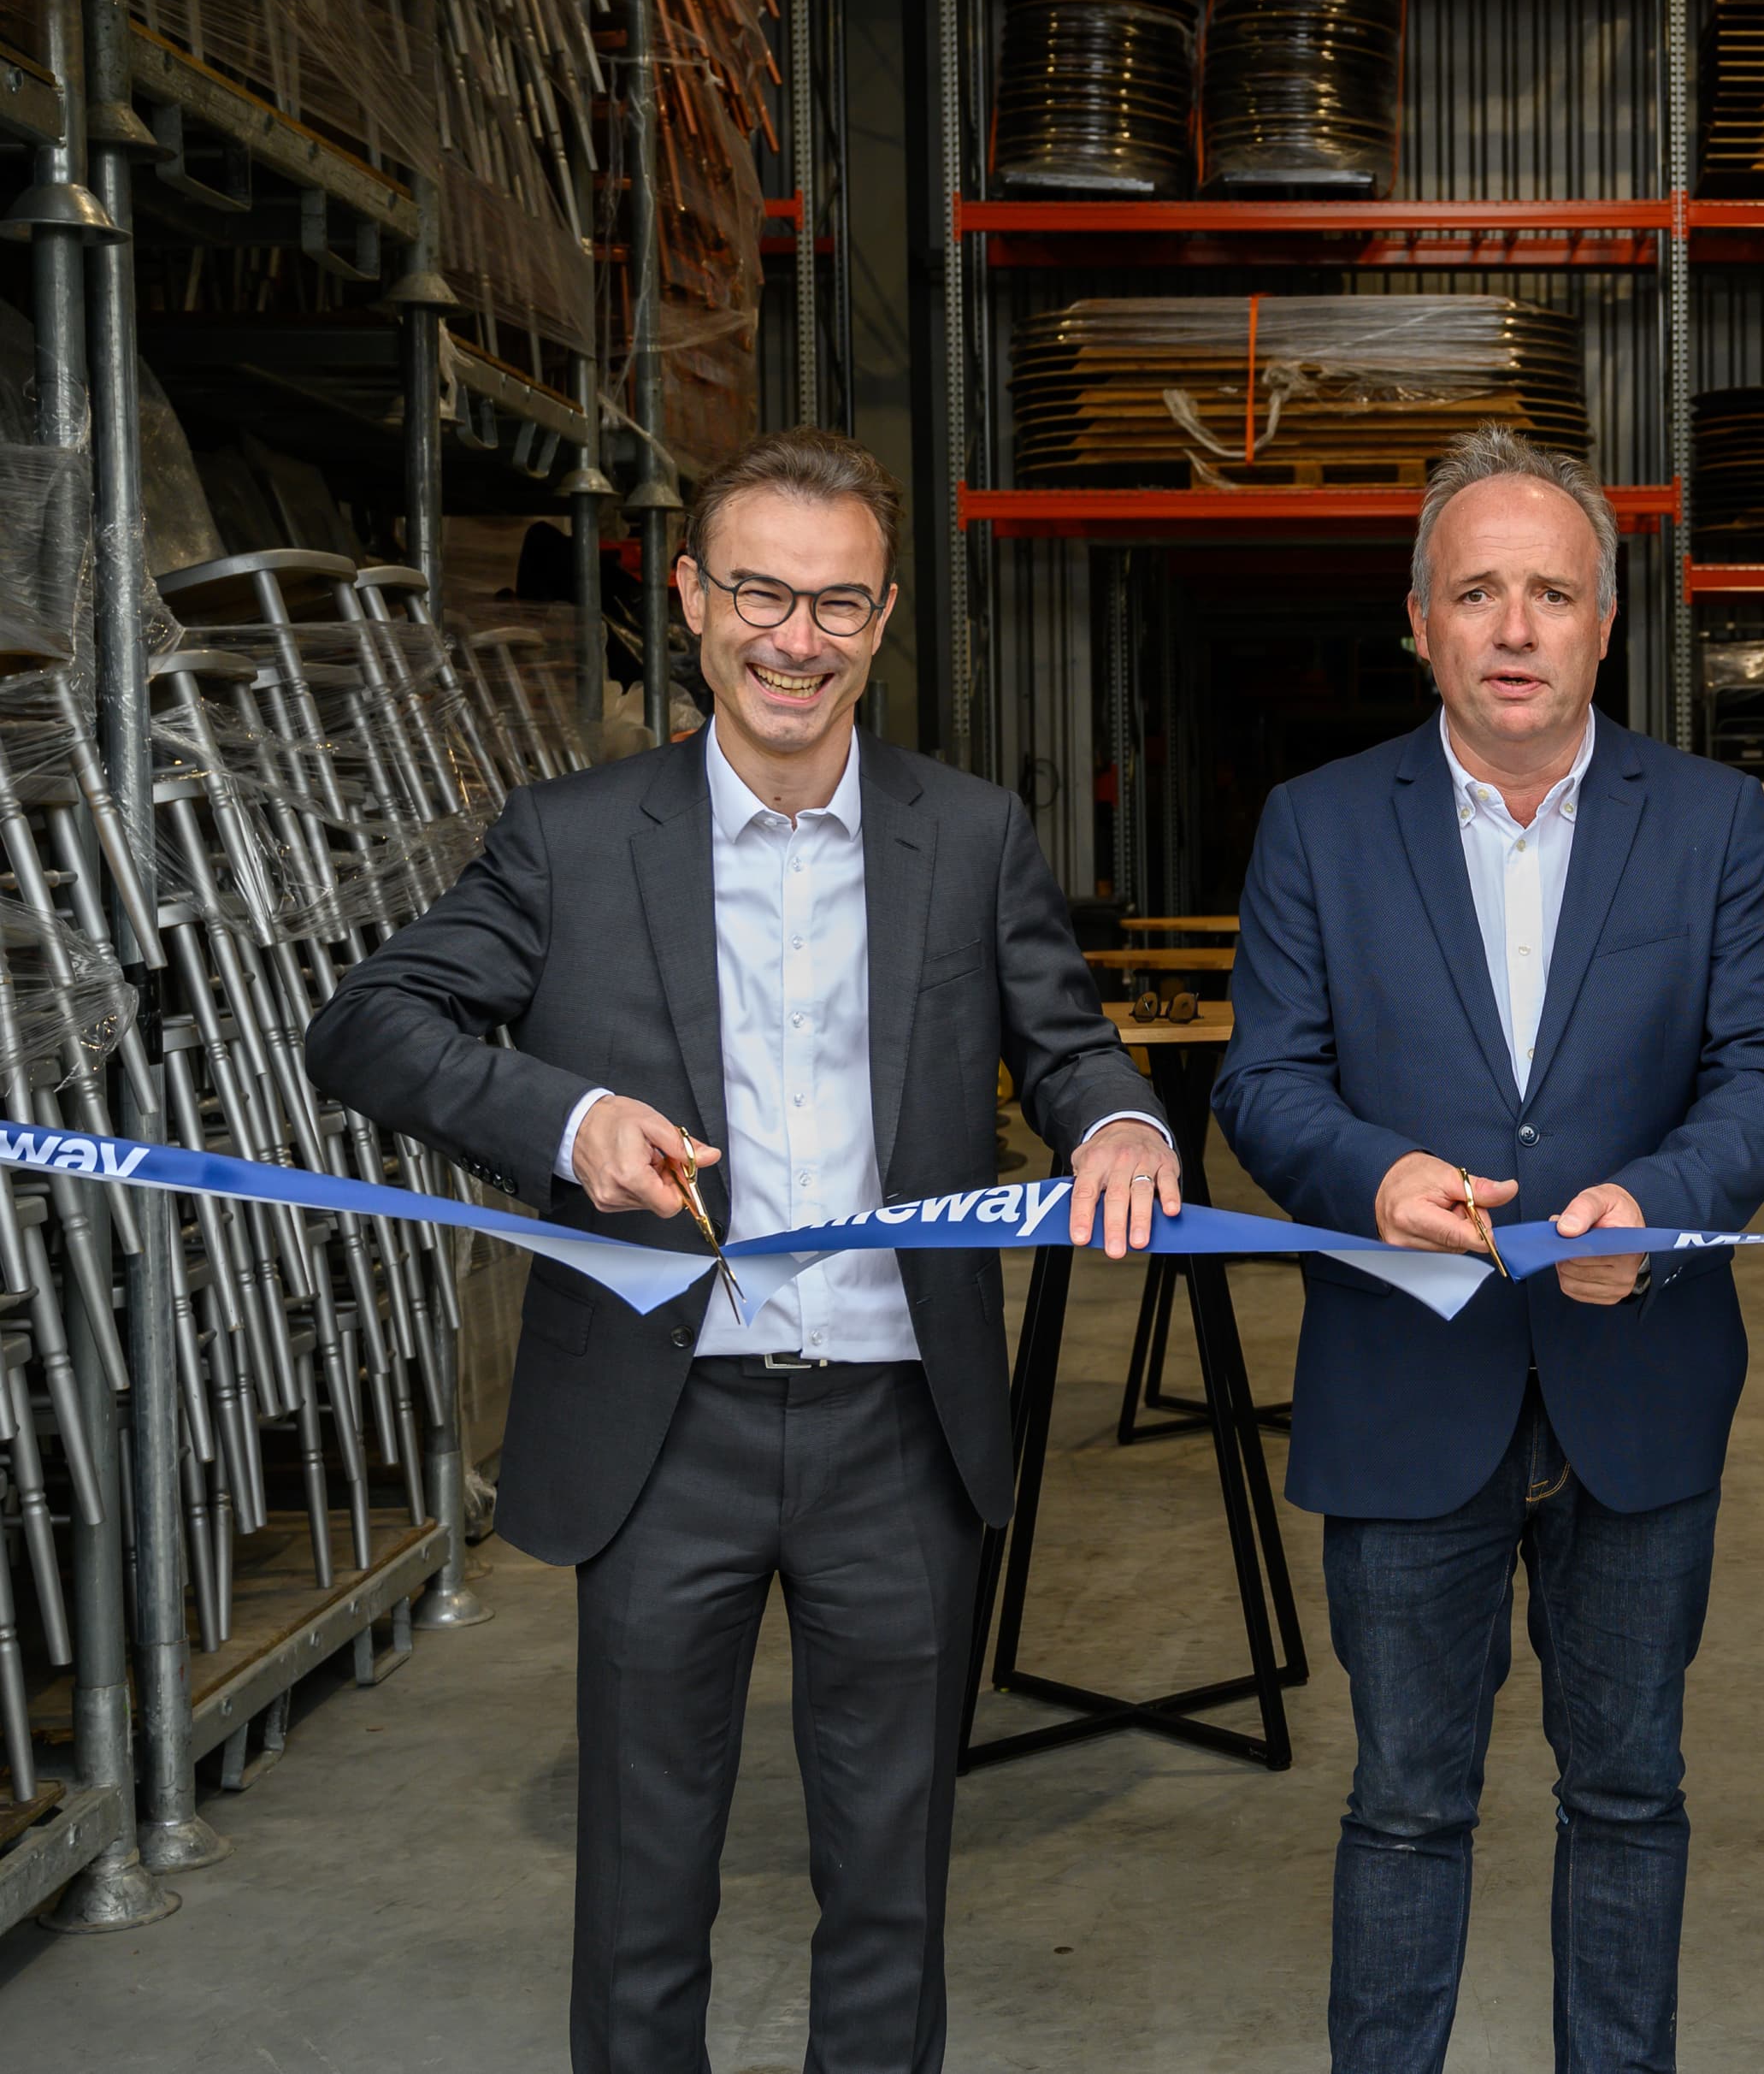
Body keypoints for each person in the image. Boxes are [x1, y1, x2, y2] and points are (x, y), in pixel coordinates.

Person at [304, 427, 1182, 2074]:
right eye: (763, 594)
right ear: (696, 601)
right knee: (644, 1895)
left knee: (889, 1891)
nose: (798, 638)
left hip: (899, 1427)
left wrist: (1119, 1123)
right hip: (664, 1425)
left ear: (886, 615)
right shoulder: (572, 838)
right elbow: (369, 1025)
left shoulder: (969, 833)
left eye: (839, 603)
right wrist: (571, 1125)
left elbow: (1066, 1047)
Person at [1213, 424, 1764, 2074]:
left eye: (1552, 591)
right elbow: (1263, 1078)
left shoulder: (1709, 826)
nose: (1516, 627)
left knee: (1629, 1796)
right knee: (1406, 1807)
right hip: (1407, 1386)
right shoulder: (1319, 826)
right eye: (1477, 591)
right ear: (1420, 623)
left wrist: (1665, 1214)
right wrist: (1373, 1174)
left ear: (1607, 623)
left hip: (1643, 1375)